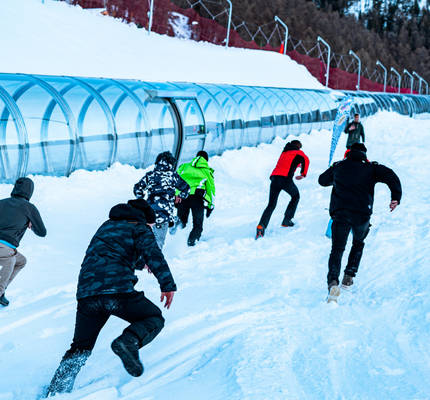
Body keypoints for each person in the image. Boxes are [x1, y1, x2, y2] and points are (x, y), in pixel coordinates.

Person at [45, 199, 176, 397]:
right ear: (145, 219)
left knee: (80, 348)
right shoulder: (140, 227)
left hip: (88, 294)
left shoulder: (106, 226)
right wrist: (167, 285)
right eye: (150, 225)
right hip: (118, 292)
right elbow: (153, 253)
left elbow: (113, 253)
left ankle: (56, 392)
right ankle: (128, 342)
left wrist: (141, 262)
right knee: (153, 318)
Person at [318, 143, 402, 297]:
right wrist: (395, 197)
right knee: (358, 243)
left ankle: (333, 282)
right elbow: (391, 176)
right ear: (365, 155)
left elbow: (322, 181)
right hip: (361, 215)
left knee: (337, 249)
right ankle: (348, 278)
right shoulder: (371, 168)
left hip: (340, 214)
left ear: (348, 153)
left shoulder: (339, 166)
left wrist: (335, 171)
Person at [0, 177, 47, 307]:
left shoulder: (1, 203)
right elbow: (42, 232)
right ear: (30, 192)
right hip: (5, 249)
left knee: (21, 261)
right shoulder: (29, 208)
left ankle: (2, 291)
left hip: (4, 249)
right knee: (10, 259)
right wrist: (31, 225)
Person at [134, 151, 190, 249]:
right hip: (164, 216)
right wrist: (179, 196)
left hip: (148, 215)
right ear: (171, 164)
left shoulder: (150, 175)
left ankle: (141, 262)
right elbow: (187, 189)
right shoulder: (172, 176)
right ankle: (152, 263)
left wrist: (141, 197)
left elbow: (138, 189)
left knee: (146, 242)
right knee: (158, 244)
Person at [256, 140, 309, 239]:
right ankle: (287, 220)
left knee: (271, 204)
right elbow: (306, 160)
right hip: (285, 179)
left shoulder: (285, 152)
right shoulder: (298, 152)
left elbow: (289, 163)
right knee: (295, 196)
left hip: (275, 179)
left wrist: (298, 165)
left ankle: (261, 226)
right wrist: (303, 174)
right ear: (298, 147)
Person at [175, 150, 215, 247]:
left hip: (183, 196)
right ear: (206, 160)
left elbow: (175, 180)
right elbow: (211, 190)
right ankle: (191, 243)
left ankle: (174, 240)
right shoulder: (207, 171)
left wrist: (176, 195)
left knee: (180, 221)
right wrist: (210, 206)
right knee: (197, 224)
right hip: (197, 198)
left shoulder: (184, 166)